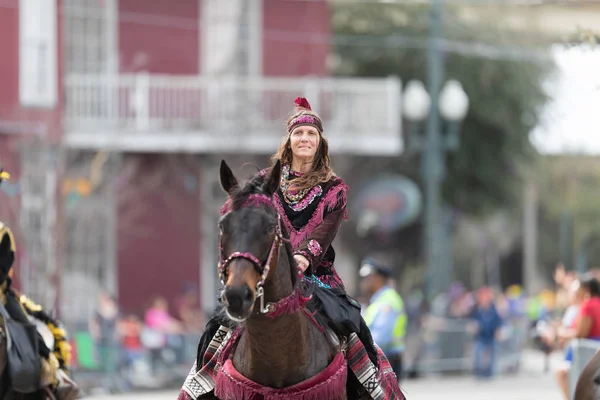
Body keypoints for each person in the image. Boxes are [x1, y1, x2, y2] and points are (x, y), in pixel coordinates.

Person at [188, 98, 386, 390]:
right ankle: (198, 385)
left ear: (320, 143)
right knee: (216, 328)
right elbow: (239, 215)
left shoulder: (334, 188)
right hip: (263, 275)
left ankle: (374, 389)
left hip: (317, 278)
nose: (304, 139)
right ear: (289, 141)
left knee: (352, 322)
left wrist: (305, 257)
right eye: (298, 133)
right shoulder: (263, 183)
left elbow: (325, 231)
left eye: (311, 134)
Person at [0, 168, 79, 399]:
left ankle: (53, 381)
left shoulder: (2, 231)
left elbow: (3, 269)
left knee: (27, 330)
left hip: (0, 296)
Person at [359, 257, 407, 381]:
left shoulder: (387, 301)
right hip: (382, 359)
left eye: (368, 277)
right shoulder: (377, 300)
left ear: (378, 278)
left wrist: (359, 353)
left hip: (385, 360)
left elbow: (381, 336)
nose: (364, 281)